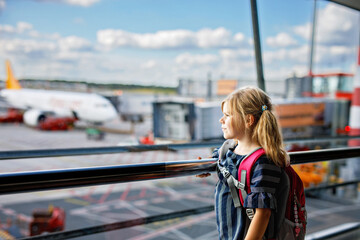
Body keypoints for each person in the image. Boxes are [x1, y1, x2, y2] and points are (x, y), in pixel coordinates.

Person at [197, 86, 289, 240]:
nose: (221, 120)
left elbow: (263, 213)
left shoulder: (263, 161)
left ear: (248, 120)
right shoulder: (229, 150)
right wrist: (203, 165)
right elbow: (217, 160)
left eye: (227, 115)